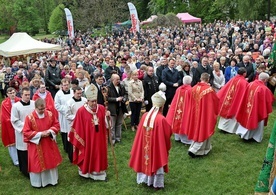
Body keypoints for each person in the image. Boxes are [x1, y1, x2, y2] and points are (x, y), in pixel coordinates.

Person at [129, 90, 172, 189]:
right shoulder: (161, 119)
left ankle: (144, 179)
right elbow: (167, 133)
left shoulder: (144, 116)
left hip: (145, 146)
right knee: (156, 159)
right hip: (156, 147)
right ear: (162, 106)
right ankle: (156, 183)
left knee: (145, 158)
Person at [69, 84, 108, 180]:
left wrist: (107, 117)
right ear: (87, 101)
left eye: (95, 101)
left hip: (99, 137)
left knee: (99, 152)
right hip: (87, 138)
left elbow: (105, 124)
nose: (94, 103)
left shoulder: (101, 108)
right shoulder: (81, 111)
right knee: (88, 153)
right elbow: (77, 126)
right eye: (92, 101)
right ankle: (86, 173)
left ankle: (99, 173)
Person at [22, 98, 62, 188]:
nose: (42, 111)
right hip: (36, 144)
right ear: (35, 108)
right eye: (40, 109)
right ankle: (38, 183)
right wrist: (40, 134)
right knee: (37, 163)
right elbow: (26, 132)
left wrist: (50, 131)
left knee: (50, 160)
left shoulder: (50, 114)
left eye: (44, 108)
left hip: (48, 142)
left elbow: (56, 125)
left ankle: (52, 180)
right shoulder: (29, 118)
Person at [185, 73, 219, 157]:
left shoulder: (193, 88)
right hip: (204, 114)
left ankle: (206, 149)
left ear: (201, 78)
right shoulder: (209, 90)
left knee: (197, 130)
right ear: (208, 79)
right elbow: (215, 101)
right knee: (203, 130)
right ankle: (194, 150)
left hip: (195, 114)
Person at [236, 72, 274, 142]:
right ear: (265, 80)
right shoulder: (264, 89)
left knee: (246, 119)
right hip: (258, 109)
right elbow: (270, 99)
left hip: (247, 106)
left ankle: (242, 133)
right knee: (256, 121)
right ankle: (253, 137)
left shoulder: (250, 84)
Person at [11, 87, 35, 177]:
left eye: (29, 94)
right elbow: (14, 120)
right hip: (22, 132)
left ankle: (34, 167)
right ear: (21, 95)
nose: (28, 96)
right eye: (26, 95)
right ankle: (25, 170)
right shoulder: (16, 106)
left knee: (32, 150)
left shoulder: (33, 104)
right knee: (23, 150)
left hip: (33, 131)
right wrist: (26, 126)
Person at [217, 68, 248, 134]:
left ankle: (222, 127)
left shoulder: (233, 79)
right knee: (233, 112)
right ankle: (228, 129)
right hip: (236, 101)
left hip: (228, 99)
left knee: (226, 111)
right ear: (244, 73)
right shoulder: (244, 82)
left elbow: (226, 87)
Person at [166, 76, 193, 144]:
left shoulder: (179, 89)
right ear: (190, 82)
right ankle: (185, 140)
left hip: (177, 109)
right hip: (185, 110)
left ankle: (177, 137)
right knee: (184, 122)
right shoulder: (191, 90)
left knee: (176, 120)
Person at [65, 86, 87, 162]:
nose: (80, 95)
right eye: (78, 93)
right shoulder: (69, 102)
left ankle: (83, 155)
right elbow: (67, 115)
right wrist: (78, 117)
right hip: (74, 124)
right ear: (73, 93)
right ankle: (72, 157)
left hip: (84, 124)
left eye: (81, 93)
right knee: (73, 139)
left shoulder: (84, 100)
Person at [1, 87, 21, 165]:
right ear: (7, 94)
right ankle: (16, 160)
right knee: (12, 144)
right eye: (10, 93)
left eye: (13, 92)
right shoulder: (4, 103)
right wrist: (12, 121)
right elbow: (3, 116)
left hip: (19, 123)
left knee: (20, 141)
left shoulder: (19, 100)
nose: (12, 94)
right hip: (10, 125)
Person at [54, 79, 74, 153]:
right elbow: (56, 105)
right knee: (65, 131)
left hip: (72, 115)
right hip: (63, 116)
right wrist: (66, 110)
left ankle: (73, 146)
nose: (66, 86)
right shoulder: (58, 94)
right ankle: (66, 147)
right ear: (61, 86)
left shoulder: (72, 92)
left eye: (67, 85)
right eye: (64, 85)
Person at [107, 74, 127, 144]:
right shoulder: (108, 88)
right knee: (112, 125)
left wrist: (124, 99)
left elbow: (125, 94)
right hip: (112, 109)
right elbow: (107, 98)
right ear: (112, 80)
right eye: (117, 79)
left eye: (119, 79)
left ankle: (118, 138)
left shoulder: (121, 86)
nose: (118, 81)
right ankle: (112, 140)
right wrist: (116, 99)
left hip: (121, 107)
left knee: (119, 123)